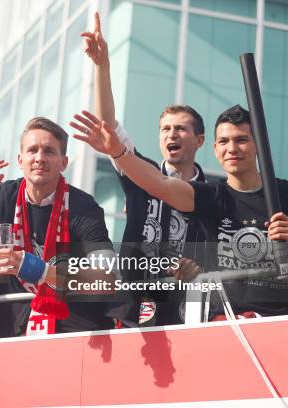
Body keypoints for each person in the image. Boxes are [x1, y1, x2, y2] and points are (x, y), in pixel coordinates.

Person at [72, 104, 288, 318]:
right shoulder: (210, 196)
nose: (232, 149)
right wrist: (117, 152)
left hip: (280, 322)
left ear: (259, 145)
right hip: (223, 324)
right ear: (215, 149)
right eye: (224, 142)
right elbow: (159, 183)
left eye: (241, 140)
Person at [0, 117, 122, 336]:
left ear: (64, 162)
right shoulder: (5, 195)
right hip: (20, 329)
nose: (39, 158)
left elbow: (106, 280)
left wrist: (43, 271)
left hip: (77, 332)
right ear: (20, 159)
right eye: (32, 150)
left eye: (49, 151)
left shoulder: (84, 207)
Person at [79, 12, 207, 325]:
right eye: (165, 129)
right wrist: (102, 66)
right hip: (134, 307)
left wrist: (200, 266)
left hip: (188, 309)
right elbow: (108, 127)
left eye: (180, 129)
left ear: (200, 140)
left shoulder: (213, 193)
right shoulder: (138, 169)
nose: (171, 135)